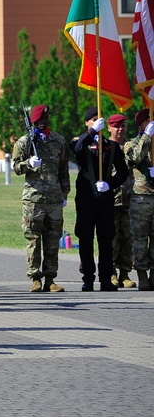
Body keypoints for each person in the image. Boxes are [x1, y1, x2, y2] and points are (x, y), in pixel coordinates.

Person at [12, 105, 71, 293]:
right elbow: (16, 167)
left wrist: (65, 193)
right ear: (34, 122)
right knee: (33, 239)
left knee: (53, 240)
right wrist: (28, 163)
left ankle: (50, 279)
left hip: (54, 199)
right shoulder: (25, 142)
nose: (43, 122)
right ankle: (35, 278)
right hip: (34, 199)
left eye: (45, 119)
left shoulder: (59, 141)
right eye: (39, 120)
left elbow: (63, 170)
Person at [72, 108, 129, 292]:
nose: (98, 122)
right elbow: (78, 149)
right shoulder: (81, 141)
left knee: (106, 239)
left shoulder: (110, 146)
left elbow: (123, 172)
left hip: (105, 199)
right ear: (87, 122)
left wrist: (110, 184)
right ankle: (88, 278)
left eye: (99, 120)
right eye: (93, 120)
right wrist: (91, 132)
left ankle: (105, 278)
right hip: (86, 199)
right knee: (86, 238)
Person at [105, 114, 136, 288]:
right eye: (116, 126)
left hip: (129, 198)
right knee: (111, 238)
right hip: (111, 199)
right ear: (109, 128)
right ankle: (111, 273)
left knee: (127, 239)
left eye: (123, 125)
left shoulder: (130, 146)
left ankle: (125, 273)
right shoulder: (106, 147)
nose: (120, 129)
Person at [125, 111, 154, 290]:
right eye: (149, 121)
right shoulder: (132, 143)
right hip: (141, 197)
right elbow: (135, 157)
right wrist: (146, 136)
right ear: (142, 123)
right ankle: (142, 275)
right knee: (140, 240)